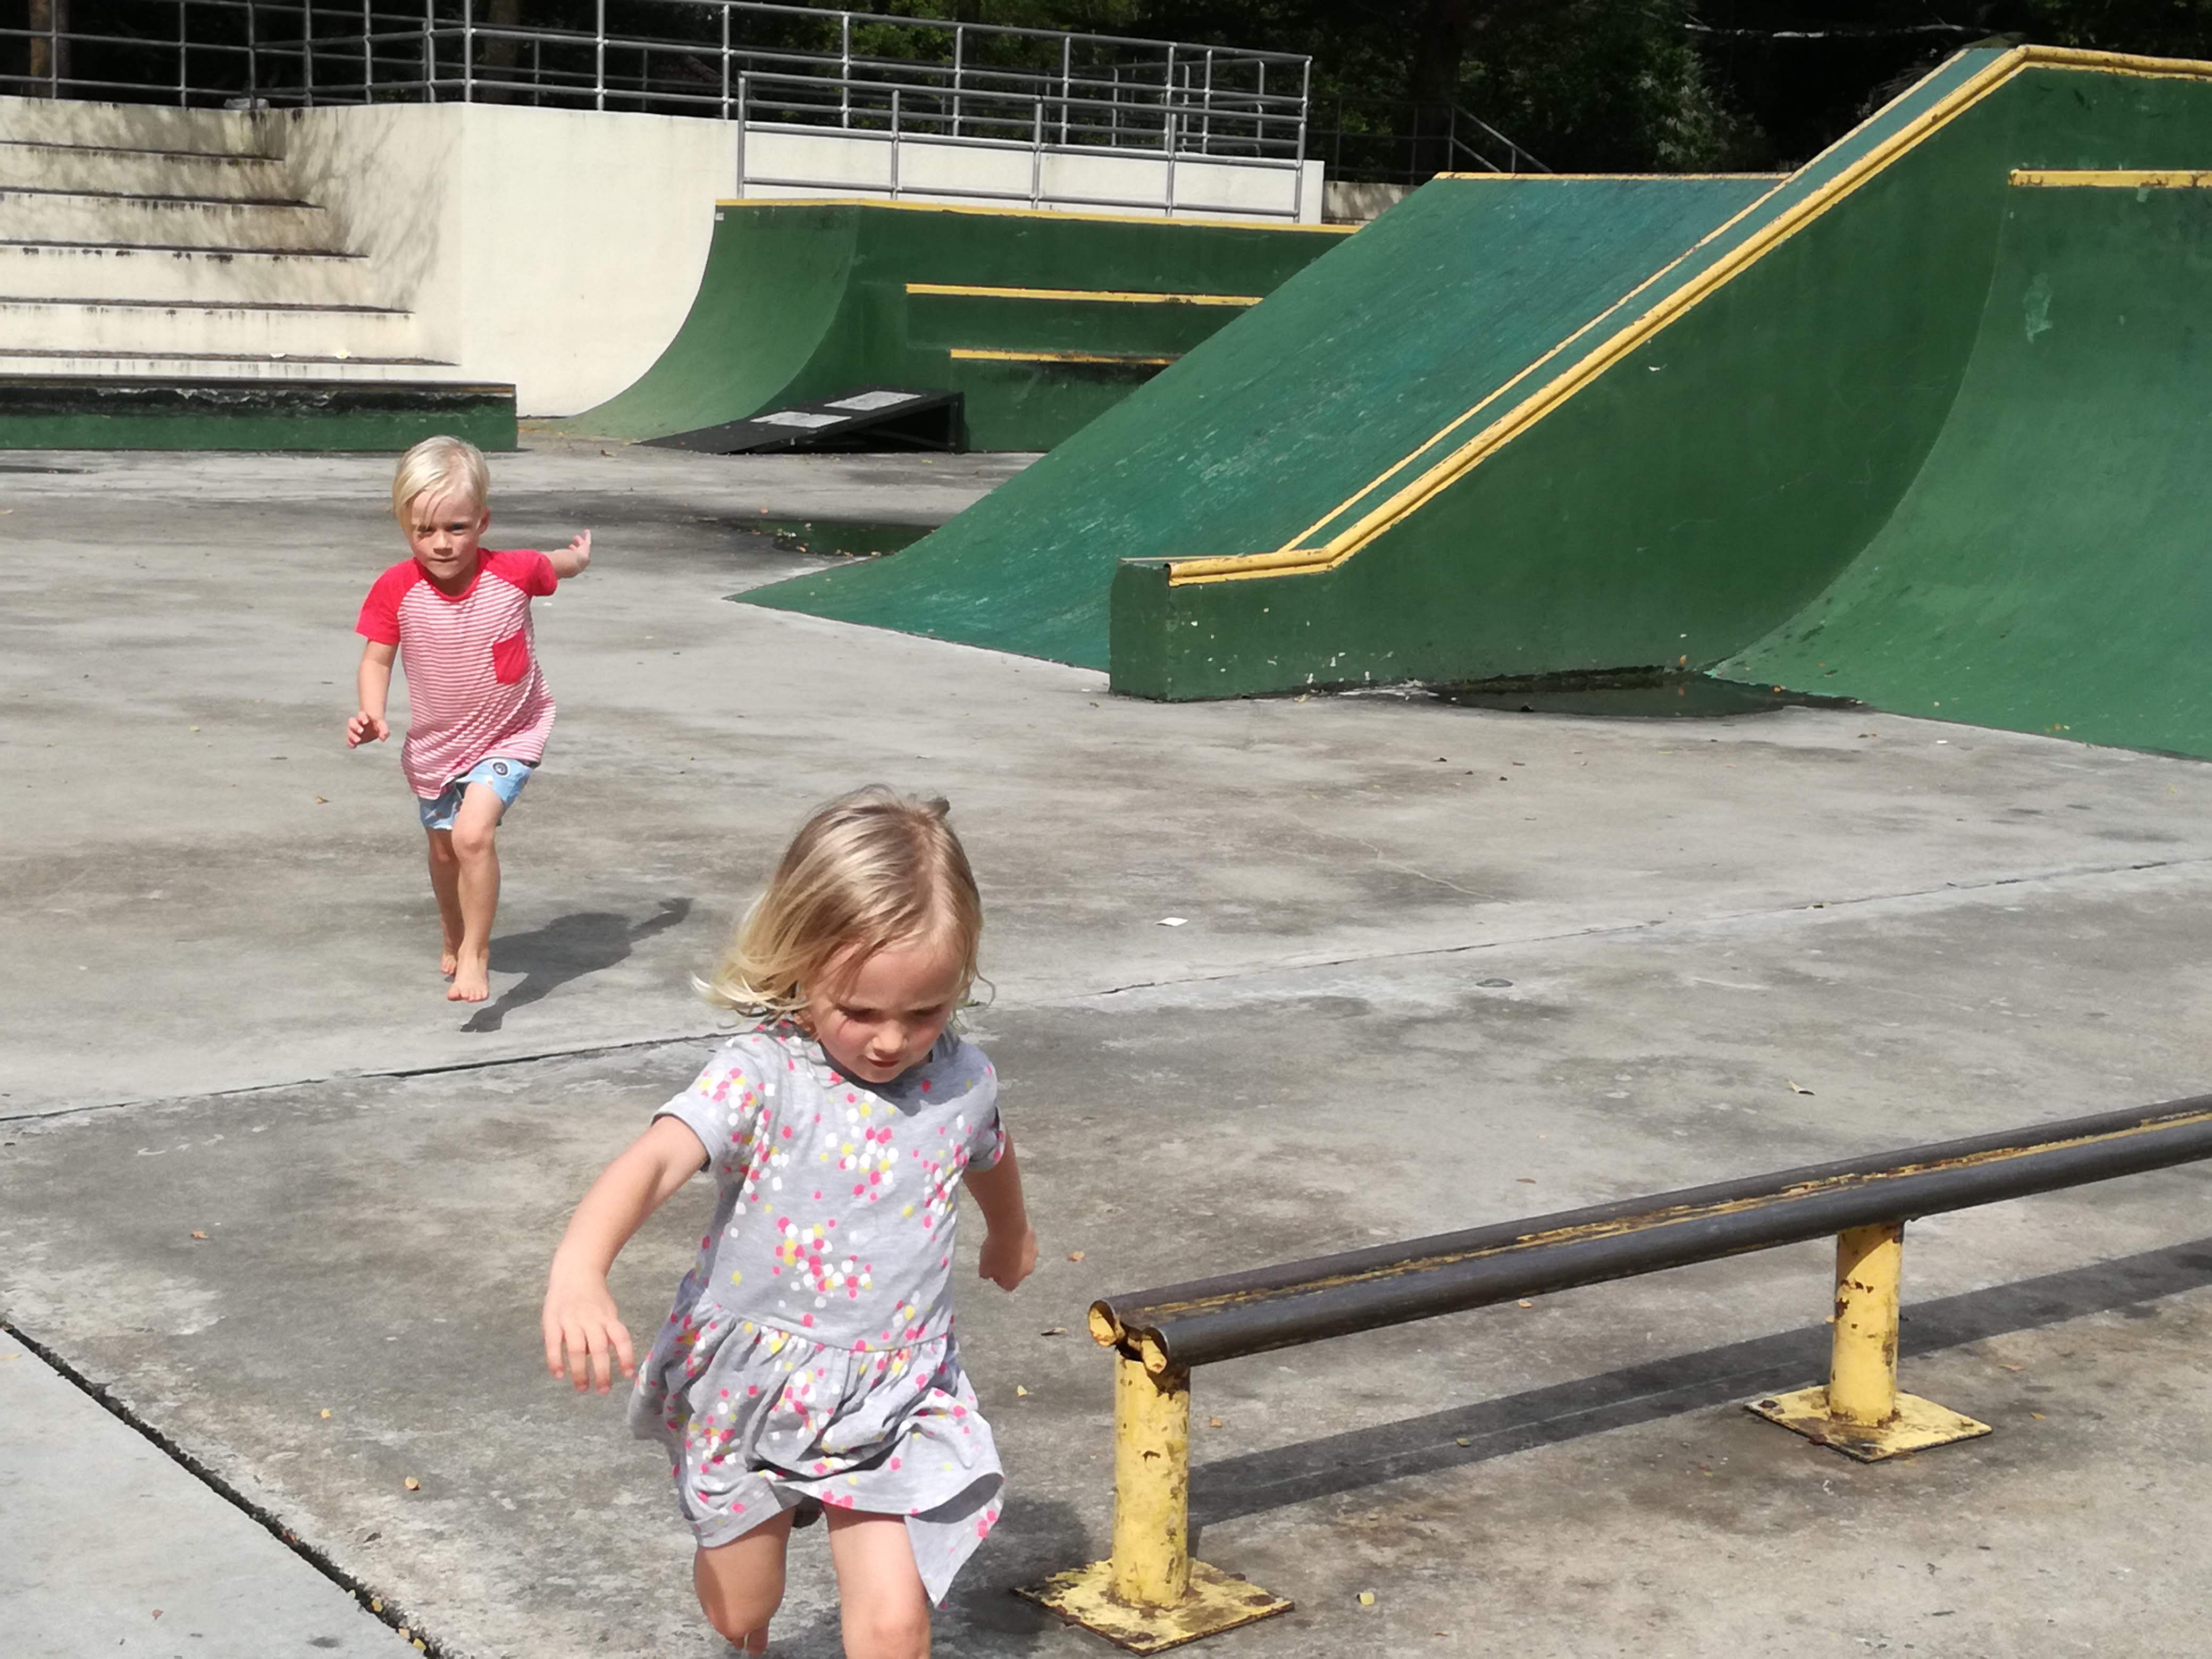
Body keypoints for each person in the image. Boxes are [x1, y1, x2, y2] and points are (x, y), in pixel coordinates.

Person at [541, 789, 1037, 1658]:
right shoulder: (763, 1075)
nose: (892, 1042)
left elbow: (987, 1153)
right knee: (743, 1607)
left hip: (892, 1389)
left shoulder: (962, 1080)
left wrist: (1010, 1233)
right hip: (753, 1379)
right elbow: (654, 1160)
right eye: (860, 1010)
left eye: (924, 1012)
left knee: (895, 1624)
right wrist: (579, 1270)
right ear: (802, 963)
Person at [346, 435, 592, 1004]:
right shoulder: (396, 588)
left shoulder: (513, 571)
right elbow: (376, 659)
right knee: (443, 851)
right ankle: (453, 931)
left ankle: (477, 953)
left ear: (482, 521)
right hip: (436, 746)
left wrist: (578, 558)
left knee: (472, 836)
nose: (441, 543)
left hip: (512, 732)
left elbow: (555, 565)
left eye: (457, 528)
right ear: (404, 526)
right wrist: (371, 712)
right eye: (424, 531)